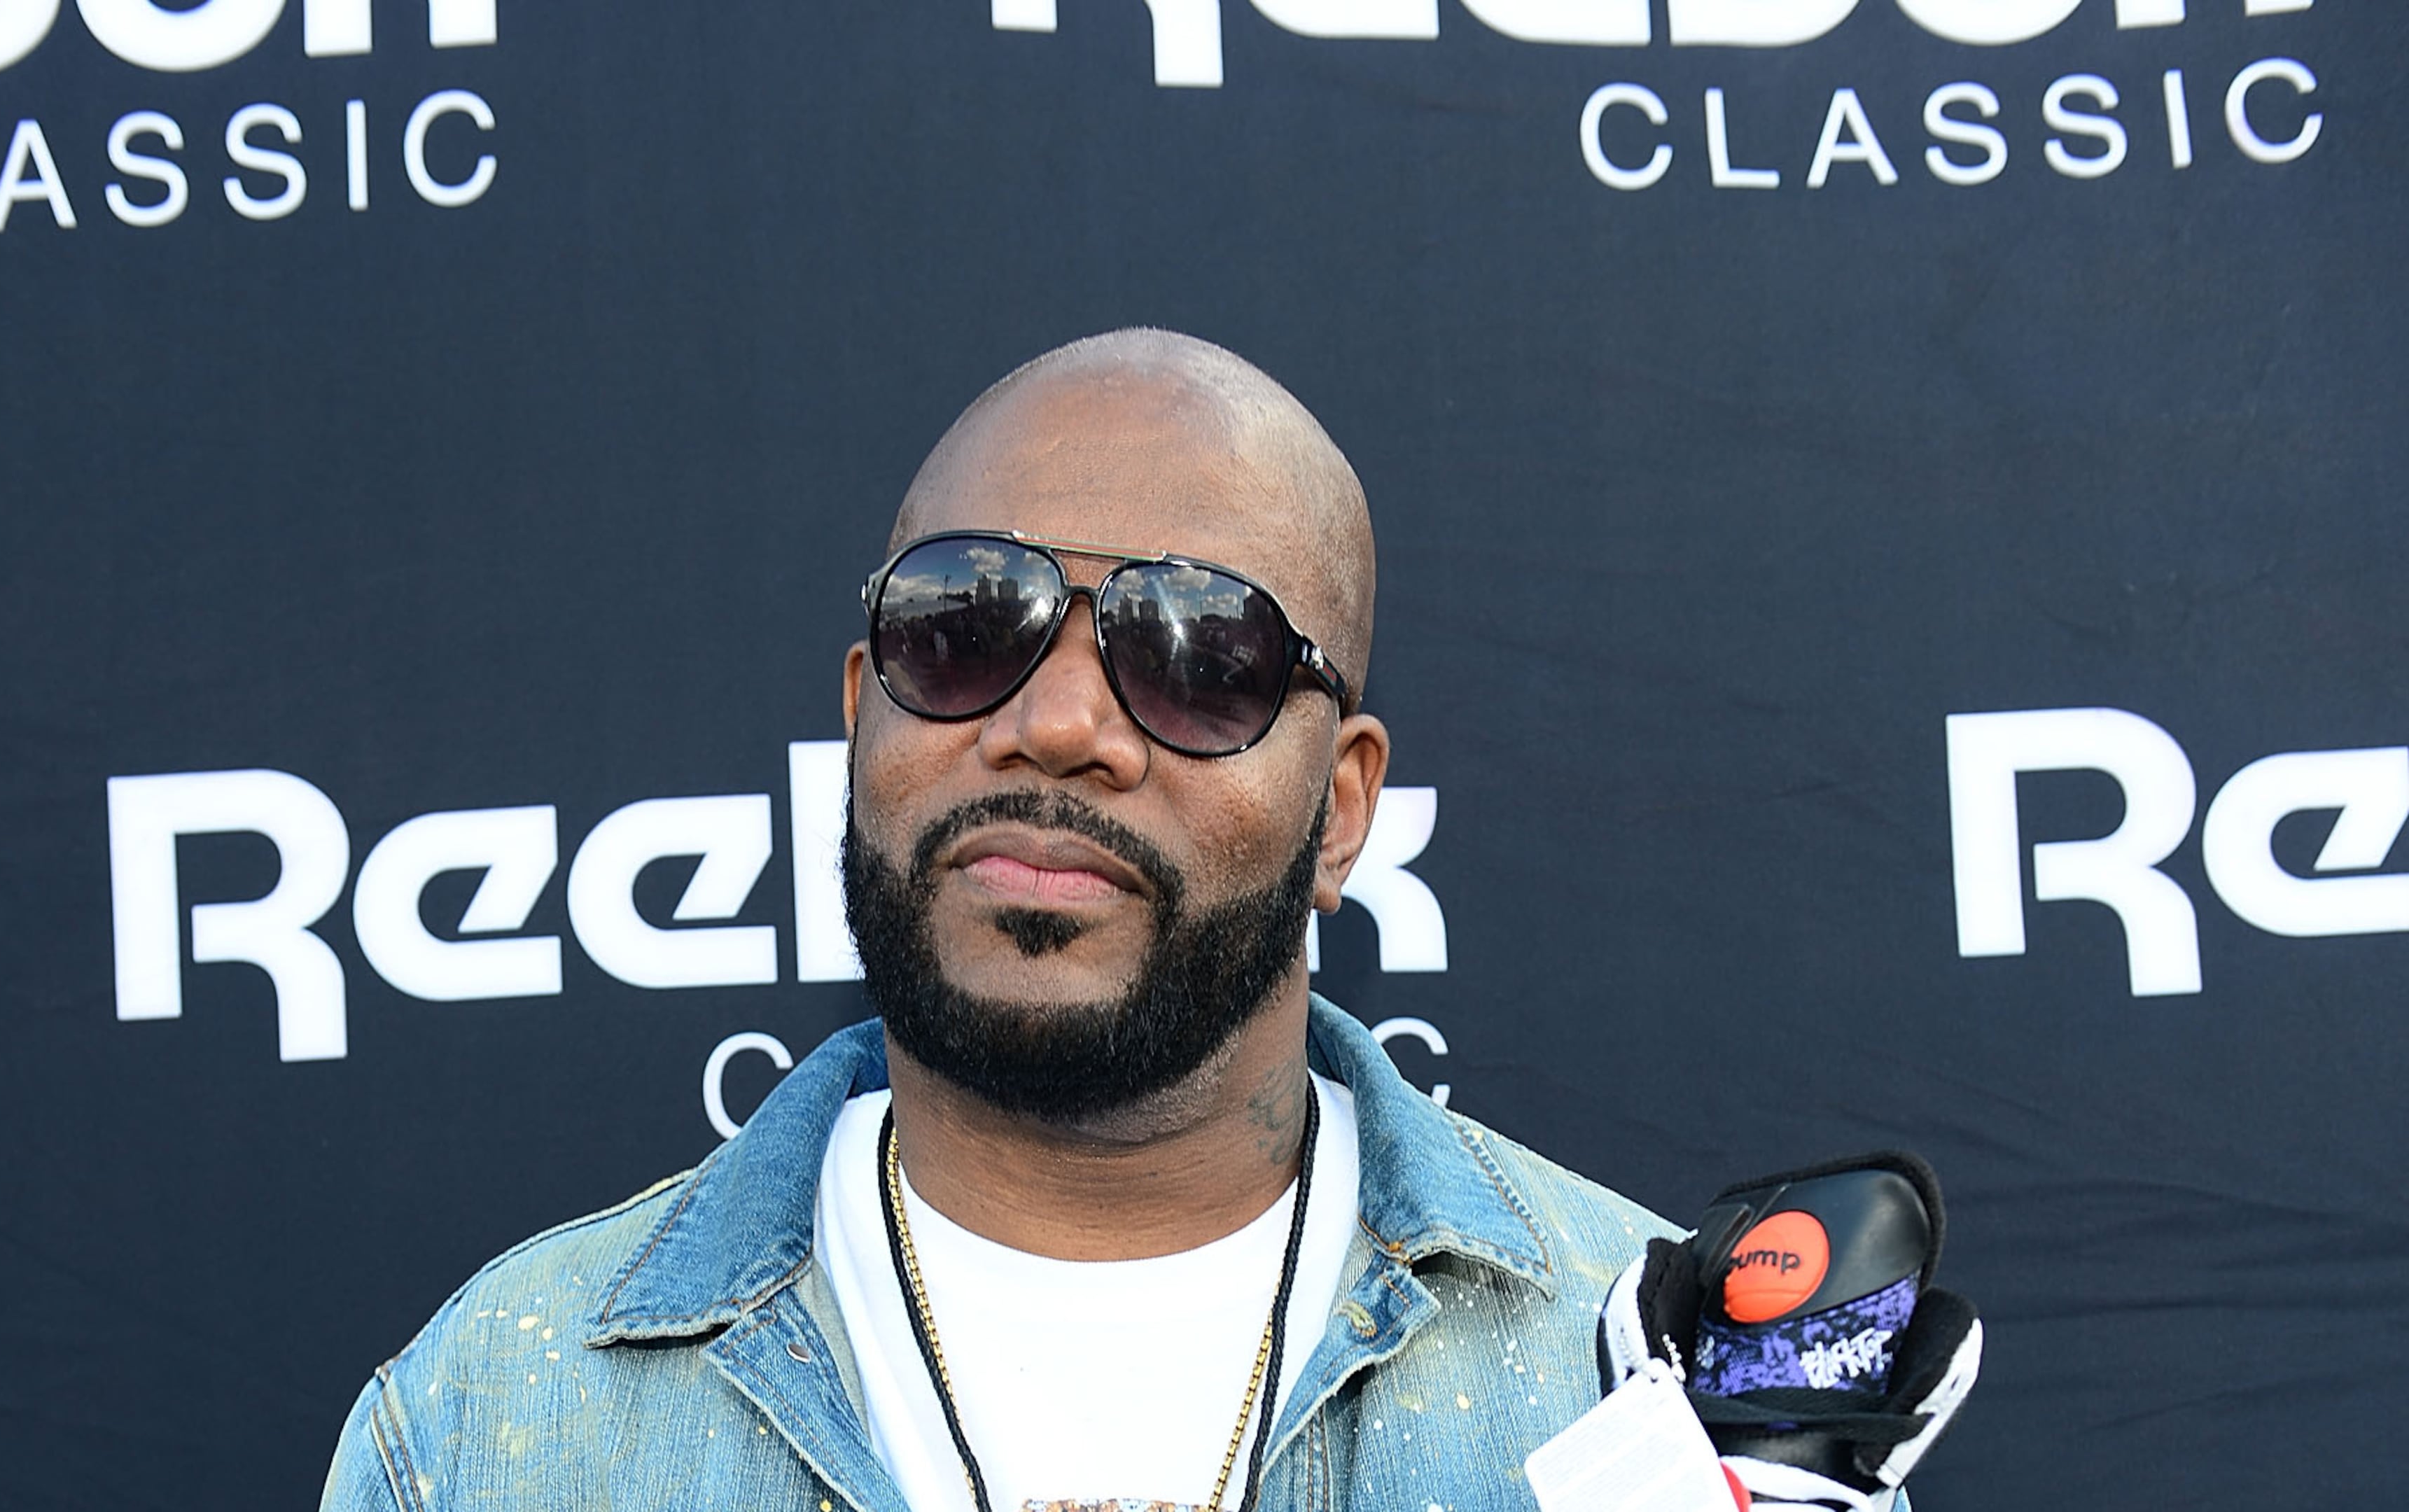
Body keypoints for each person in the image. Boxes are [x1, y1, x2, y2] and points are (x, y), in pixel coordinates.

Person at [317, 330, 1685, 1512]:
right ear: (863, 711)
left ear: (1339, 809)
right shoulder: (493, 1422)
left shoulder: (1659, 1380)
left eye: (1200, 660)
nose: (1059, 726)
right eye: (966, 628)